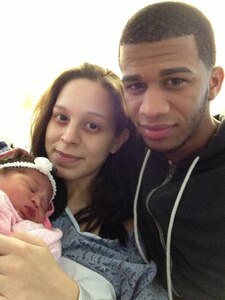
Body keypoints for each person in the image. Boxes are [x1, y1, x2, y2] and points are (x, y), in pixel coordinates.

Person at [0, 63, 168, 300]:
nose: (68, 137)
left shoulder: (134, 241)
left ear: (117, 140)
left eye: (92, 126)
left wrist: (68, 294)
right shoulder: (11, 183)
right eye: (61, 117)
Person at [119, 2, 225, 300]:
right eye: (136, 86)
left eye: (175, 81)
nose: (151, 110)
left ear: (213, 83)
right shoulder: (127, 142)